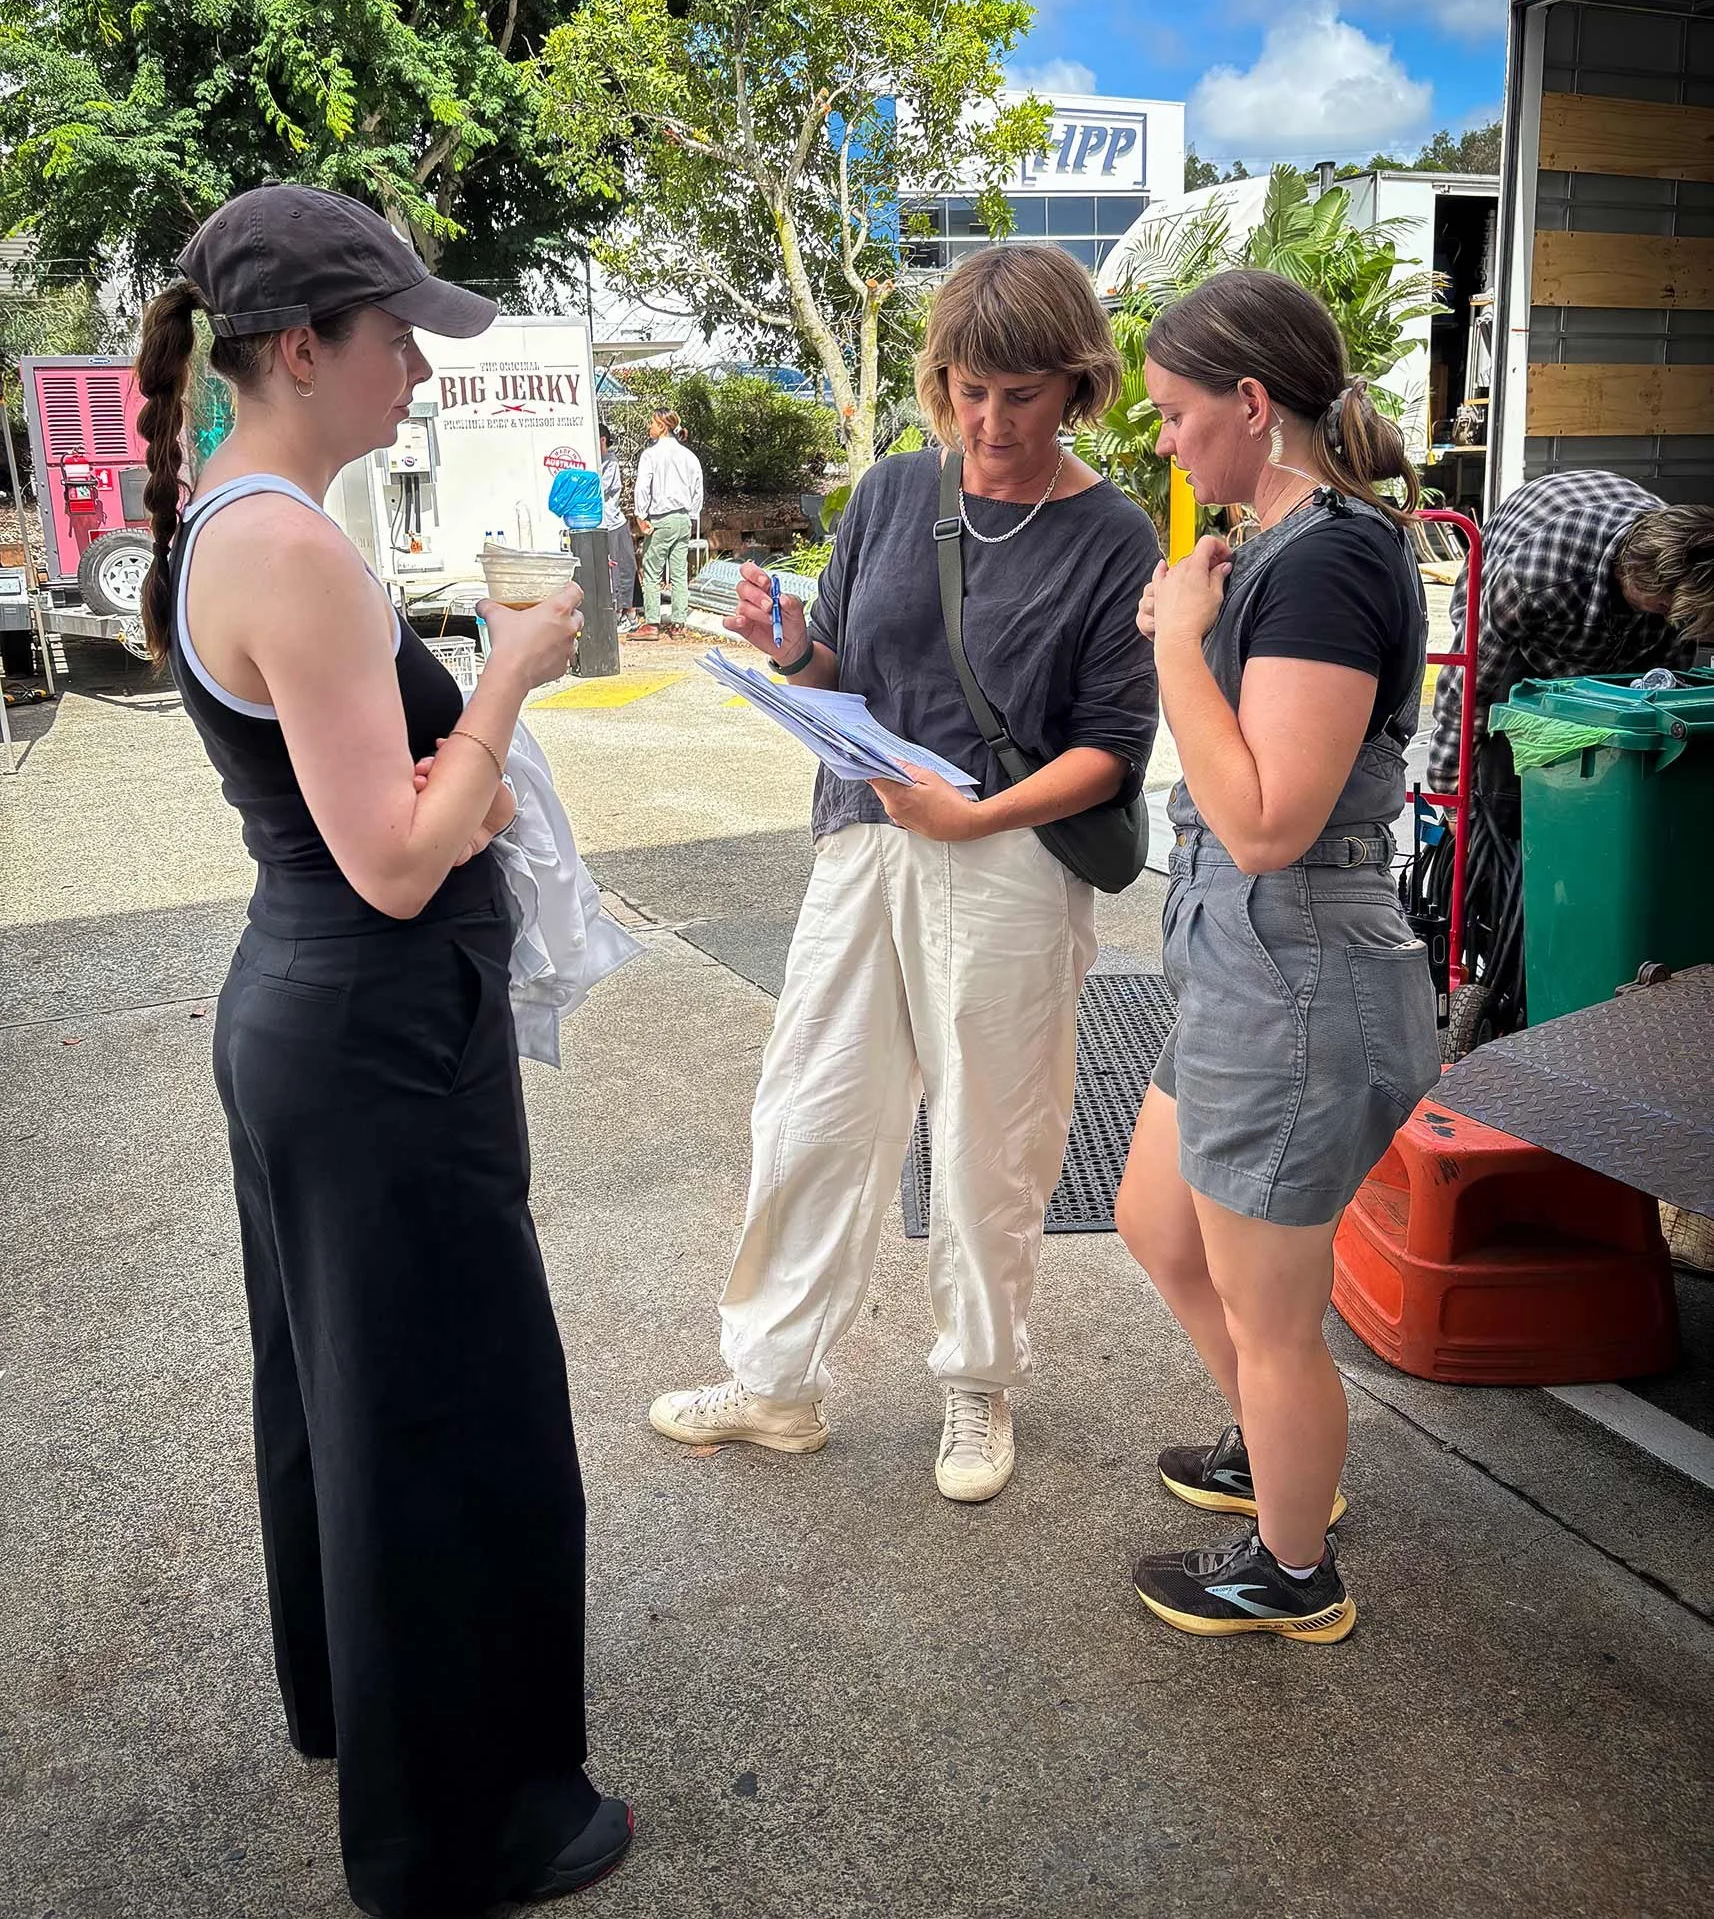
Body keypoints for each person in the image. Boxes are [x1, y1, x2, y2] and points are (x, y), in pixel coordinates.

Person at [135, 185, 632, 1917]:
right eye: (395, 334)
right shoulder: (292, 546)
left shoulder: (235, 517)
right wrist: (506, 679)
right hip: (372, 1033)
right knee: (442, 1408)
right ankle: (469, 1826)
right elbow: (402, 853)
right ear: (299, 348)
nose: (417, 367)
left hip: (315, 1019)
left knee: (345, 1394)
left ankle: (362, 1709)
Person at [649, 244, 1160, 1502]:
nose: (990, 421)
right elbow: (843, 663)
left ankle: (977, 1384)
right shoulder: (887, 492)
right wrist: (792, 649)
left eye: (1022, 394)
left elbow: (1110, 748)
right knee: (811, 1109)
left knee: (995, 1128)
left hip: (1007, 860)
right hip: (863, 833)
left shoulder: (1110, 534)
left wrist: (968, 814)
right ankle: (773, 1381)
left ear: (1077, 385)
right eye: (968, 389)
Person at [1114, 266, 1441, 1645]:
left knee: (1273, 1312)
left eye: (1179, 413)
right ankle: (1273, 1443)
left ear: (1251, 405)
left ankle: (1292, 1569)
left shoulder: (1333, 558)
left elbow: (1261, 820)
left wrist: (1175, 646)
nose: (1165, 441)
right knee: (1152, 1215)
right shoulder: (1278, 548)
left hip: (1295, 960)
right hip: (1247, 958)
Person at [1425, 471, 1714, 797]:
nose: (1673, 618)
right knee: (1505, 789)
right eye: (1666, 608)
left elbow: (1672, 685)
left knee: (1613, 776)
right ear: (1636, 578)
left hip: (1608, 633)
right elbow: (1466, 687)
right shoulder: (1533, 575)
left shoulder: (1687, 561)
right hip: (1529, 632)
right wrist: (1450, 790)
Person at [631, 407, 703, 640]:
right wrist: (692, 513)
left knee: (652, 571)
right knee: (679, 572)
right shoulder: (688, 456)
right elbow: (697, 489)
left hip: (661, 518)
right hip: (684, 518)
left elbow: (643, 486)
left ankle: (651, 623)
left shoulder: (651, 455)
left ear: (662, 426)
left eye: (652, 423)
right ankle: (678, 623)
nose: (649, 427)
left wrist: (640, 515)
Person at [598, 423, 638, 619]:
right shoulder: (597, 461)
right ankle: (624, 612)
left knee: (621, 568)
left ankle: (625, 612)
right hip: (607, 522)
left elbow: (600, 490)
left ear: (603, 440)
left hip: (612, 522)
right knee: (616, 567)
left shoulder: (609, 462)